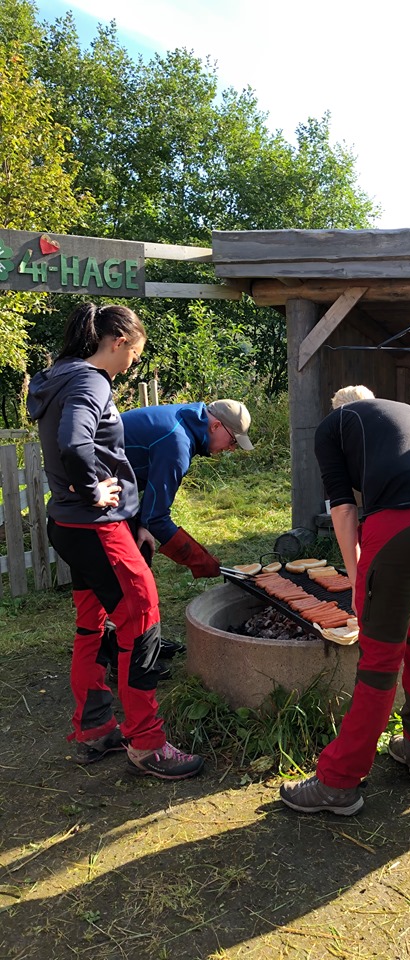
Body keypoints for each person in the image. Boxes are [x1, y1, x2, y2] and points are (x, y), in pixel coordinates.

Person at [279, 386, 410, 815]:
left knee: (380, 658)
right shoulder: (403, 412)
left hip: (404, 527)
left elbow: (343, 510)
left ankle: (338, 782)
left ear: (339, 411)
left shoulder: (334, 424)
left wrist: (357, 580)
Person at [27, 302, 204, 779]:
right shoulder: (91, 381)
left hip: (69, 526)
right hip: (96, 527)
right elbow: (74, 442)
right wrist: (92, 489)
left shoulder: (59, 376)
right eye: (135, 354)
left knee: (92, 624)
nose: (131, 365)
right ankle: (147, 743)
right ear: (119, 342)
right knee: (141, 617)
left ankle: (95, 729)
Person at [121, 398, 254, 578]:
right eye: (233, 441)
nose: (231, 449)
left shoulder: (186, 418)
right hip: (93, 490)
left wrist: (143, 523)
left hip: (109, 487)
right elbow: (156, 518)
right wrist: (199, 559)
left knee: (139, 548)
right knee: (133, 571)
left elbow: (153, 498)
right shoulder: (177, 443)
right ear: (216, 426)